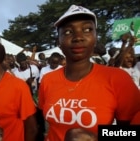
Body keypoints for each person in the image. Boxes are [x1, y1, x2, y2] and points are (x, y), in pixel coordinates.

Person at [38, 5, 140, 141]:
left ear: (95, 37)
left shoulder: (117, 78)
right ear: (59, 42)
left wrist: (98, 137)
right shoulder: (48, 79)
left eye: (87, 30)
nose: (78, 37)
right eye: (68, 32)